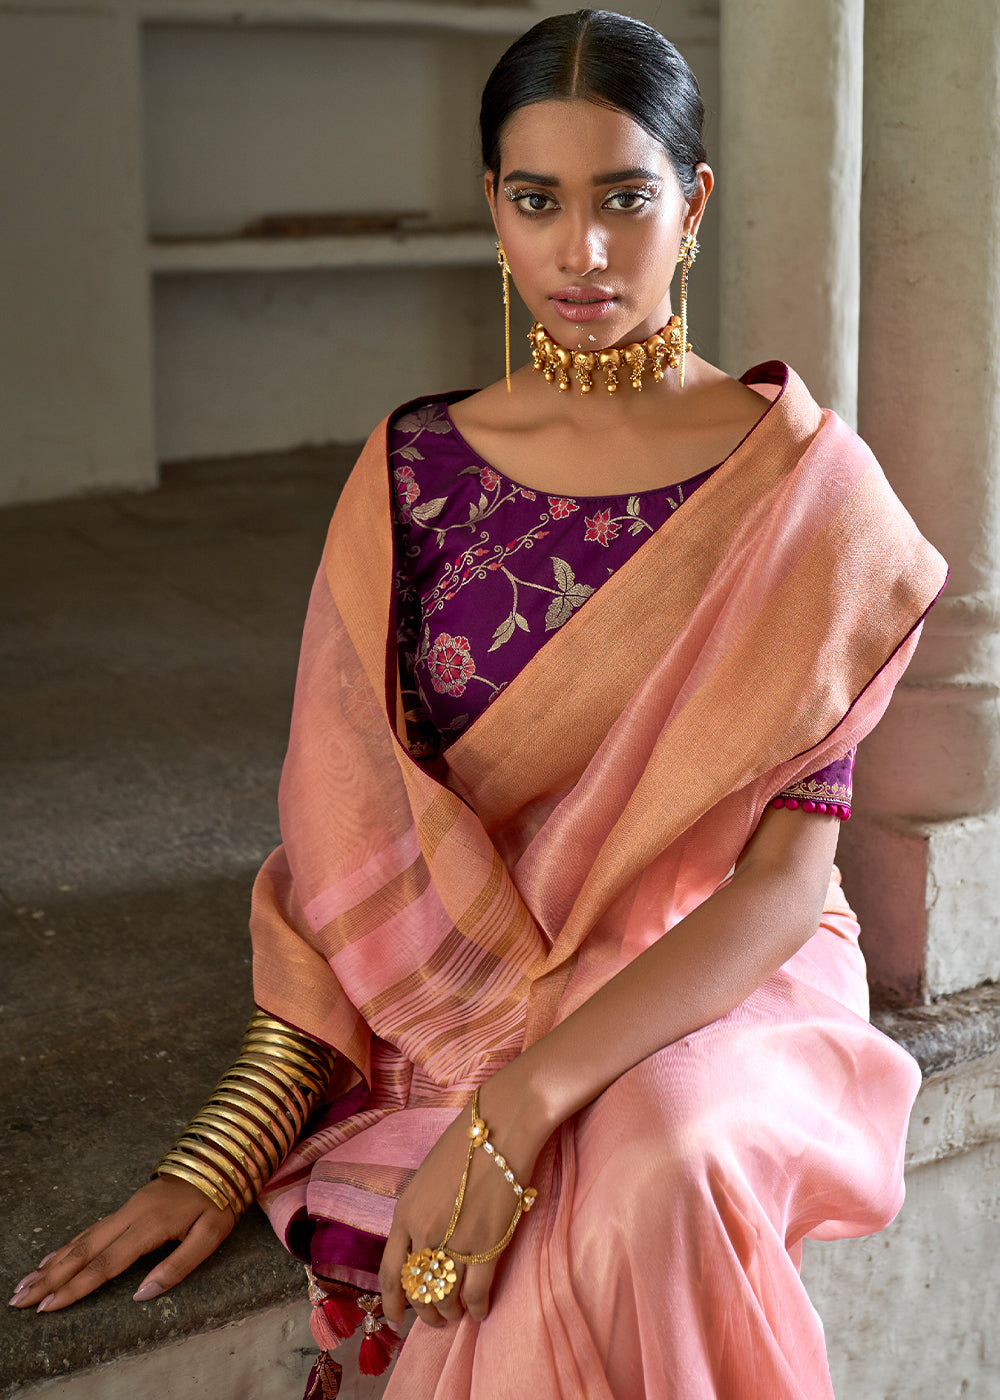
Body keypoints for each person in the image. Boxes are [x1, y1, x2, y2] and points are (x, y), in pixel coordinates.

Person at [10, 11, 947, 1398]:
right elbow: (343, 866)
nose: (581, 252)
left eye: (624, 198)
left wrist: (515, 1113)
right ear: (492, 211)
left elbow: (777, 880)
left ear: (691, 203)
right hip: (472, 987)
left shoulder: (808, 494)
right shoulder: (412, 476)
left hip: (715, 962)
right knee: (626, 1181)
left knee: (667, 1158)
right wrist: (225, 1145)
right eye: (538, 200)